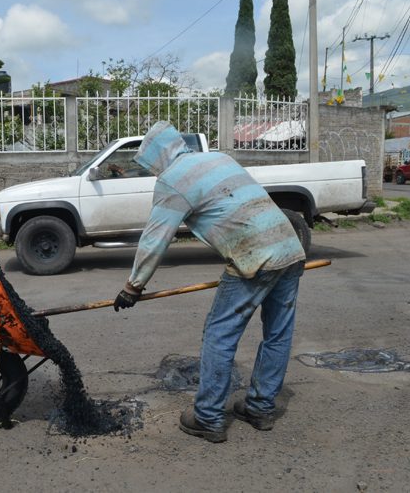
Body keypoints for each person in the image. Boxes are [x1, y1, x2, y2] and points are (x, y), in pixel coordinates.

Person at [113, 121, 306, 443]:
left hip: (253, 258)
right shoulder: (219, 158)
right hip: (289, 247)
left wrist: (133, 287)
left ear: (158, 157)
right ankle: (260, 407)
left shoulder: (173, 180)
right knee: (278, 334)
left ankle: (208, 417)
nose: (152, 171)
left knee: (219, 334)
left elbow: (155, 239)